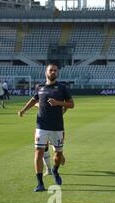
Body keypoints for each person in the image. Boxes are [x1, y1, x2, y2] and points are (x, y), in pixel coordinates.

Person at [18, 64, 74, 192]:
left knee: (58, 154)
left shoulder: (62, 88)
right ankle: (40, 183)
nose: (53, 72)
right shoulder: (39, 87)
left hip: (57, 126)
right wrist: (23, 110)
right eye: (51, 70)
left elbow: (71, 104)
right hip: (41, 125)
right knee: (38, 151)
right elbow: (33, 100)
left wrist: (58, 103)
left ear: (57, 72)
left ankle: (55, 170)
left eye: (55, 70)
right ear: (46, 72)